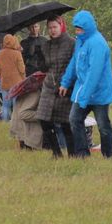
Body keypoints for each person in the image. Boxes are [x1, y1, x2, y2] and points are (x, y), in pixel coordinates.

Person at [59, 10, 112, 158]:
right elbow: (74, 63)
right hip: (82, 91)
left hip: (99, 93)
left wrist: (83, 97)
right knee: (74, 119)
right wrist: (65, 82)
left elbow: (94, 74)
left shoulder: (98, 44)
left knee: (103, 126)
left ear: (87, 27)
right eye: (76, 29)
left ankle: (108, 155)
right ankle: (82, 154)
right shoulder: (80, 41)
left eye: (79, 29)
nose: (77, 32)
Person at [36, 16, 75, 157]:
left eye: (55, 27)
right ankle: (56, 152)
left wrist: (68, 83)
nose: (52, 30)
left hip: (65, 87)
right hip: (49, 86)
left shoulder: (71, 43)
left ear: (61, 26)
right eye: (50, 27)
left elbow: (75, 66)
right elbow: (44, 67)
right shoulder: (46, 45)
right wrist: (39, 56)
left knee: (65, 122)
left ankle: (72, 153)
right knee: (43, 120)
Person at [0, 34, 25, 122]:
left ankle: (5, 122)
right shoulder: (17, 54)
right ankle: (15, 122)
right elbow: (22, 69)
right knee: (16, 104)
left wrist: (1, 77)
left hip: (4, 82)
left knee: (5, 105)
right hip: (16, 83)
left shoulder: (0, 54)